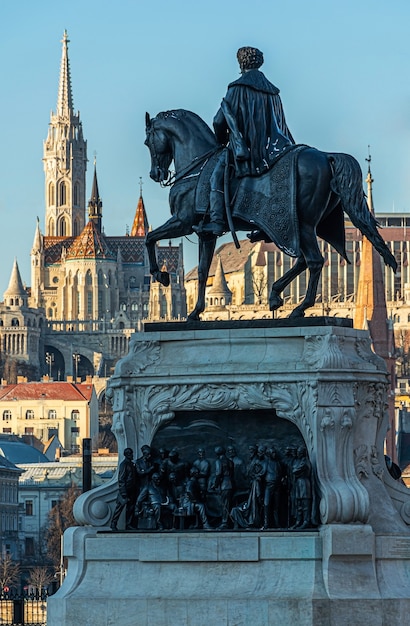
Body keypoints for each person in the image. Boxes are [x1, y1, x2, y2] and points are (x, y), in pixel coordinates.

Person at [194, 46, 295, 236]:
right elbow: (281, 123)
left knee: (216, 177)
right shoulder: (273, 92)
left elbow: (218, 120)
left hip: (247, 151)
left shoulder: (237, 87)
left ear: (241, 63)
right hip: (274, 151)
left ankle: (216, 221)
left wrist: (222, 141)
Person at [110, 448, 138, 531]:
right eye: (130, 454)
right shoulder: (124, 464)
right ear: (126, 455)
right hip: (125, 490)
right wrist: (123, 492)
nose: (132, 455)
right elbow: (121, 479)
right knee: (120, 507)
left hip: (132, 489)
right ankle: (113, 523)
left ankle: (128, 524)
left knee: (130, 508)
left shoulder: (131, 464)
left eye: (132, 453)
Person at [211, 446, 234, 529]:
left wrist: (215, 485)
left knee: (225, 504)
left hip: (224, 485)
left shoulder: (218, 461)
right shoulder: (230, 461)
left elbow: (218, 474)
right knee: (227, 503)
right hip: (230, 484)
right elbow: (231, 474)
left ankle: (225, 522)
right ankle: (226, 521)